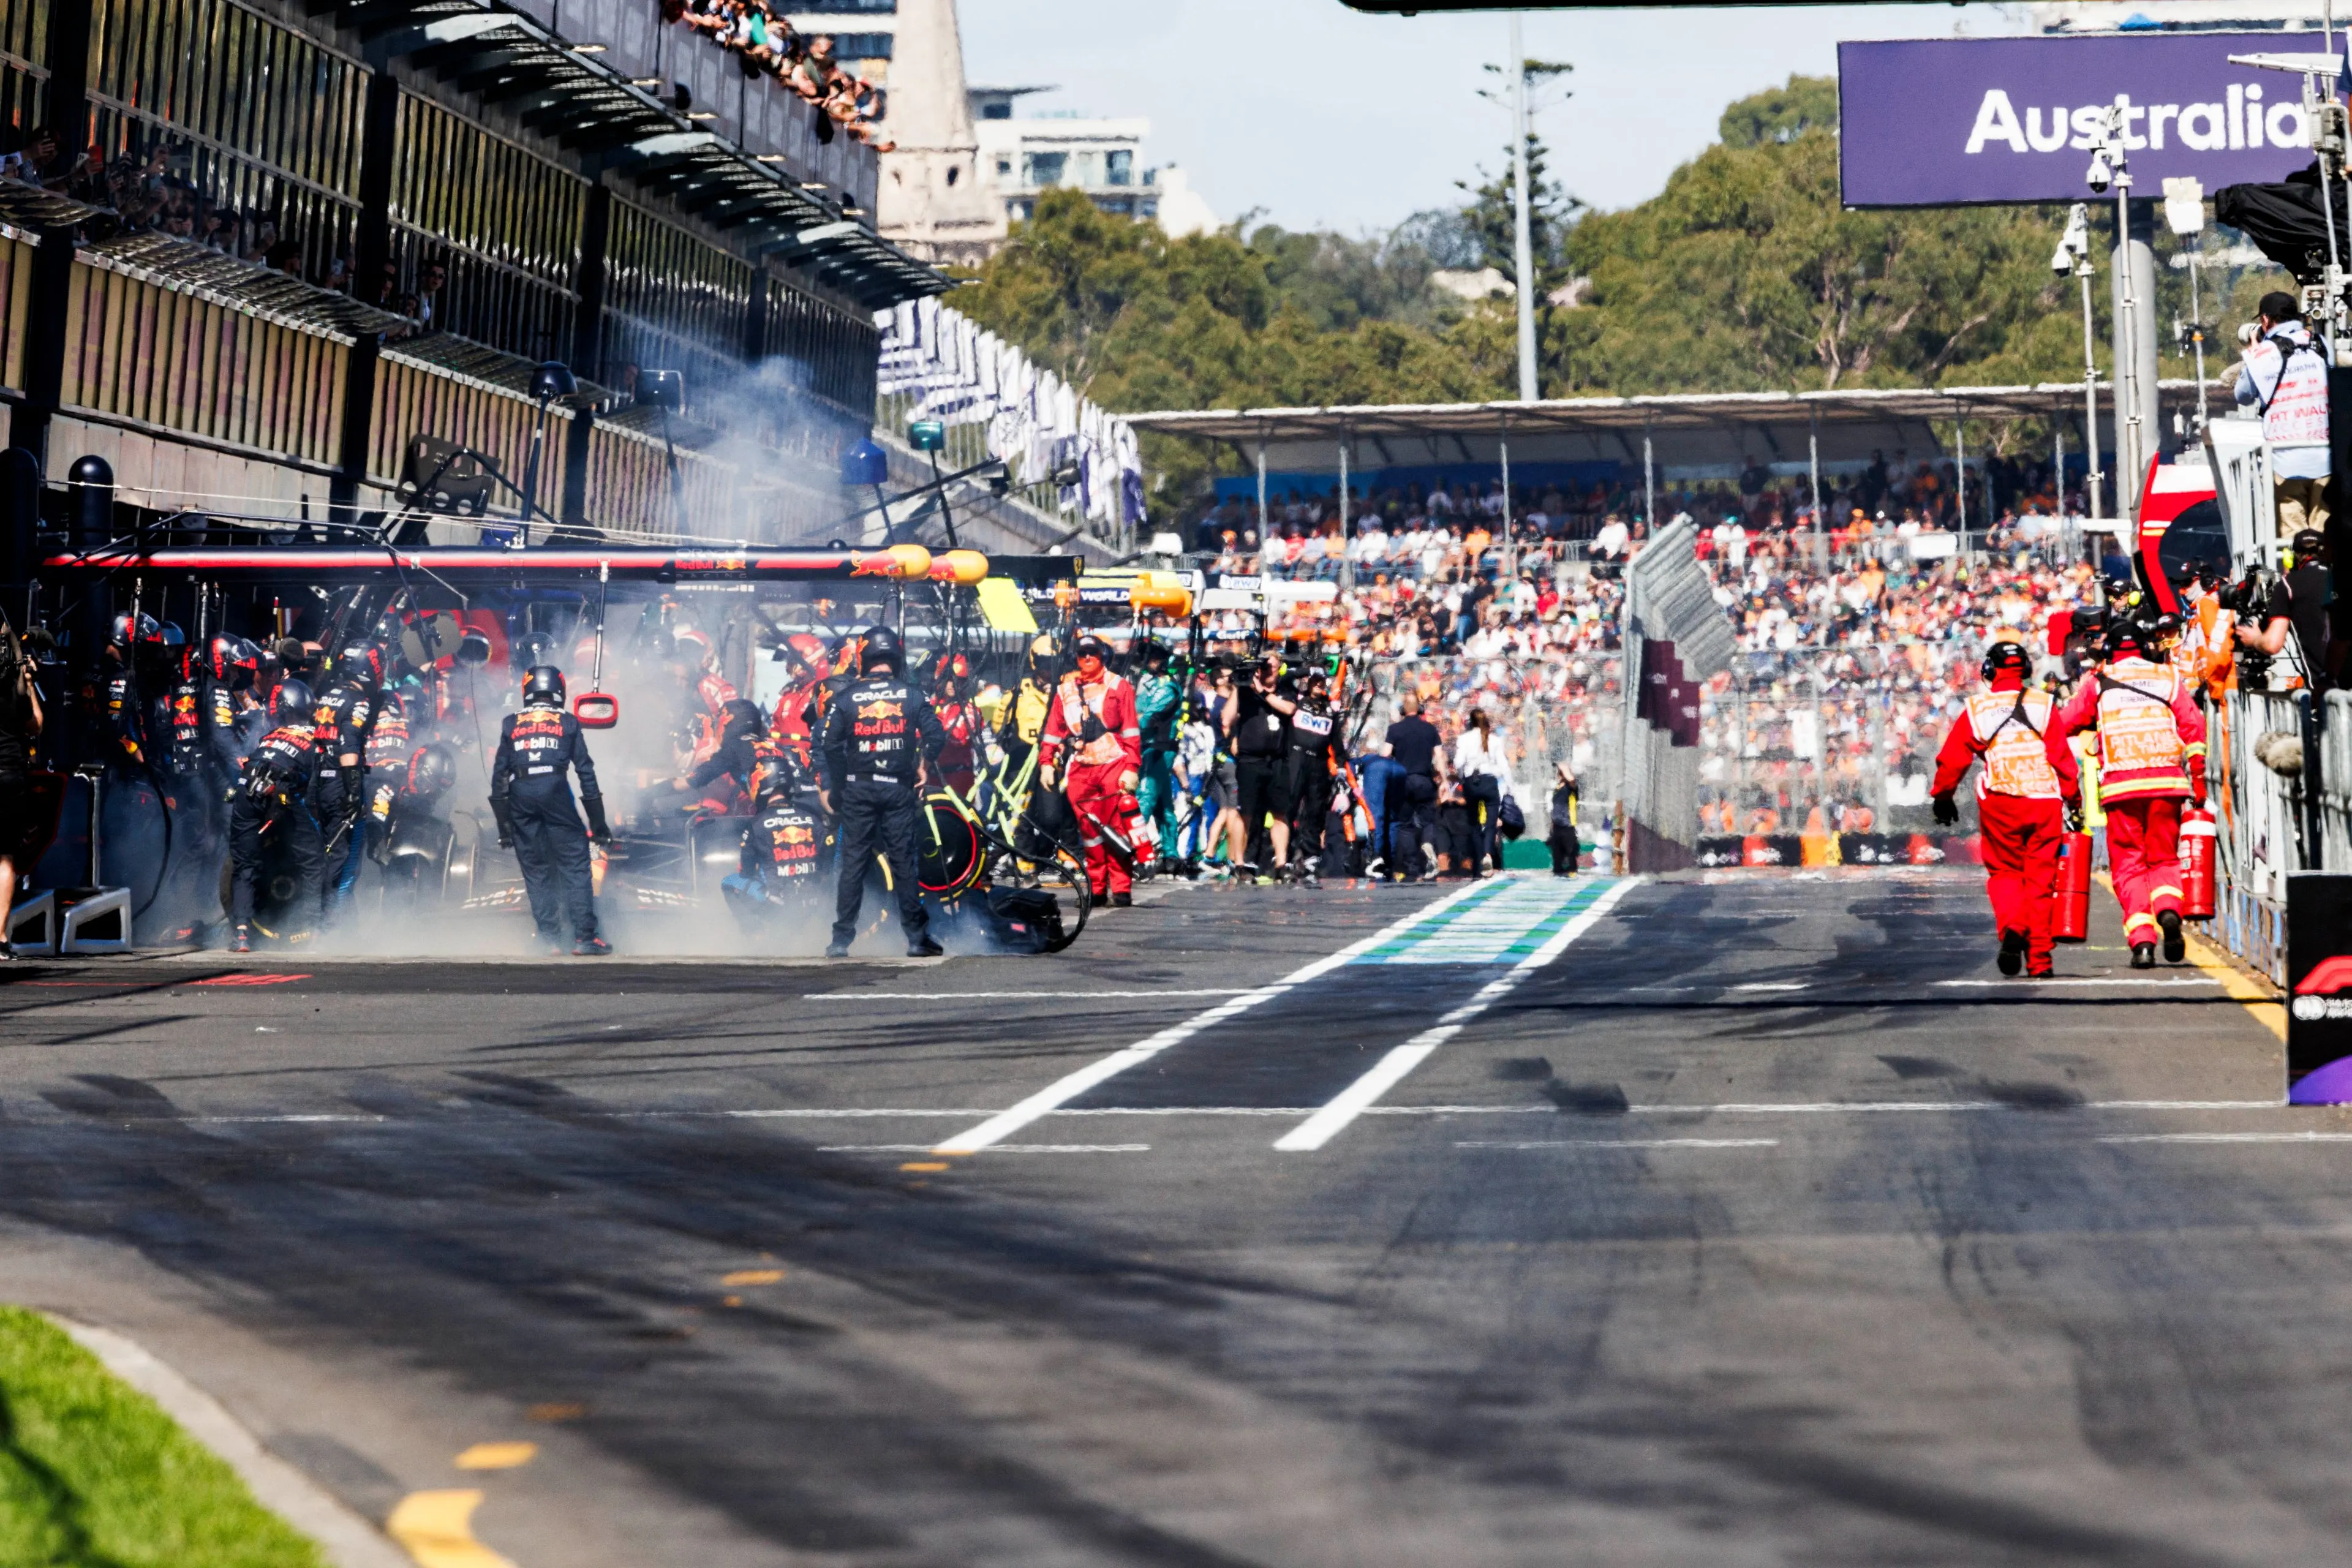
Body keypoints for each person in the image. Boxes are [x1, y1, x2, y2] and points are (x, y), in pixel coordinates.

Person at [2046, 617, 2207, 969]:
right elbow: (2194, 726)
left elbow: (2062, 725)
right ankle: (2168, 911)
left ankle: (2144, 942)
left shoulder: (2097, 682)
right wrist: (2198, 778)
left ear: (2108, 651)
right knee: (2164, 860)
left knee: (2130, 867)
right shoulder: (2168, 677)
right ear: (2147, 648)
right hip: (2168, 786)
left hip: (2122, 788)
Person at [1931, 637, 2065, 979]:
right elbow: (2062, 759)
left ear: (1989, 670)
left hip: (2002, 802)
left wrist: (1943, 797)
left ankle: (2013, 929)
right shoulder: (2046, 705)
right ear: (2027, 670)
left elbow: (1953, 759)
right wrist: (2074, 798)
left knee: (2005, 873)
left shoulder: (1977, 709)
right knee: (2040, 882)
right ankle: (2040, 963)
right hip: (2045, 801)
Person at [816, 625, 946, 958]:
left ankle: (840, 941)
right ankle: (916, 939)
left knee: (853, 865)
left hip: (858, 790)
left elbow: (829, 743)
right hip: (898, 790)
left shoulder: (845, 698)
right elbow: (936, 737)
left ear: (863, 658)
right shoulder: (913, 695)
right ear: (896, 658)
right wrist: (924, 765)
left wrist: (839, 784)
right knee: (904, 863)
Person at [488, 666, 612, 956]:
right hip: (555, 789)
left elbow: (499, 776)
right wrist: (598, 822)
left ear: (527, 691)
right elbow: (585, 771)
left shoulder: (510, 723)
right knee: (575, 866)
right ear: (560, 690)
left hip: (521, 793)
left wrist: (504, 827)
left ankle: (549, 940)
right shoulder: (568, 722)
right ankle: (585, 938)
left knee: (536, 871)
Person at [227, 679, 333, 953]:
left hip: (245, 789)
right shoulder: (314, 738)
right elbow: (313, 789)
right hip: (280, 792)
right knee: (313, 860)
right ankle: (316, 931)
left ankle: (241, 934)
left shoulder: (269, 736)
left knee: (244, 865)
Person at [1040, 634, 1143, 907]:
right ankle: (1097, 888)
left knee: (1117, 829)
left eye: (1092, 653)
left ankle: (1121, 888)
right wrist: (1046, 764)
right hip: (1081, 770)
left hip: (1113, 765)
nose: (1087, 658)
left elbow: (1131, 731)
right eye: (1082, 653)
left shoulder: (1120, 687)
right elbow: (1054, 729)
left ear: (1103, 656)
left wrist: (1131, 768)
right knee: (1090, 831)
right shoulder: (1065, 690)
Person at [2236, 292, 2332, 538]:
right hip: (2327, 456)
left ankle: (2300, 574)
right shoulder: (2321, 344)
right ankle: (2325, 574)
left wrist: (2253, 355)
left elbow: (2243, 395)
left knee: (2293, 539)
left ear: (2266, 320)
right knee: (2325, 533)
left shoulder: (2262, 354)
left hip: (2284, 459)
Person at [314, 643, 385, 913]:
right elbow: (350, 745)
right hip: (339, 783)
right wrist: (354, 792)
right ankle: (331, 922)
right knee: (343, 857)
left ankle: (334, 916)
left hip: (317, 780)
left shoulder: (326, 695)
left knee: (324, 851)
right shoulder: (359, 702)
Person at [2233, 528, 2332, 690]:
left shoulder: (2288, 585)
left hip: (2325, 690)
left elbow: (2273, 644)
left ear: (2294, 558)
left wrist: (2255, 639)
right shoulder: (2342, 577)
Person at [0, 614, 45, 960]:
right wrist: (27, 681)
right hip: (8, 772)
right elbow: (36, 725)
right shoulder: (12, 687)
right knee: (5, 857)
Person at [1230, 657, 1295, 880]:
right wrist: (1237, 688)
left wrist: (1264, 693)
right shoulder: (1246, 692)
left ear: (1279, 670)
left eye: (1272, 668)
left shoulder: (1286, 691)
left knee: (1280, 813)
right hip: (1250, 761)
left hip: (1277, 760)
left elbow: (1288, 710)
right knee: (1245, 813)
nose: (1267, 672)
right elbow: (1226, 720)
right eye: (1264, 668)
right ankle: (1239, 863)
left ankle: (1282, 864)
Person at [1283, 666, 1344, 887]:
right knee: (1289, 806)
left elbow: (1337, 740)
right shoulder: (1298, 699)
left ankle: (1310, 858)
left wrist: (1342, 768)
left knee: (1315, 810)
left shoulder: (1331, 708)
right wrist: (1307, 669)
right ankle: (1285, 854)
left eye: (1322, 682)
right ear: (1308, 682)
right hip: (1297, 758)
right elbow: (1285, 678)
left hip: (1319, 763)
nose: (1319, 685)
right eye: (1315, 681)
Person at [1382, 691, 1442, 883]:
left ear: (1403, 710)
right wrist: (1444, 781)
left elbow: (1385, 755)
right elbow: (1439, 757)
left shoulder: (1395, 729)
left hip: (1403, 781)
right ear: (1420, 709)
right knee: (1428, 821)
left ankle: (1411, 869)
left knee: (1406, 826)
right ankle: (1427, 846)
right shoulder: (1430, 729)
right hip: (1424, 780)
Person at [1134, 643, 1180, 867]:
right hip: (1146, 747)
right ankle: (1171, 854)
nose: (1150, 660)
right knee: (1164, 805)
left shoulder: (1167, 687)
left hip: (1158, 749)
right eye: (1147, 655)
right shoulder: (1142, 682)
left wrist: (1133, 719)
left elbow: (1146, 718)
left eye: (1155, 656)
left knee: (1145, 798)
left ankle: (1133, 851)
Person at [1451, 707, 1510, 878]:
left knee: (1474, 825)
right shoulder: (1494, 740)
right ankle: (1488, 855)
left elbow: (1458, 762)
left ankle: (1478, 862)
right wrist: (1509, 787)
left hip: (1472, 782)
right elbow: (1503, 766)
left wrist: (1463, 777)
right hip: (1490, 782)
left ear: (1470, 722)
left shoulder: (1464, 739)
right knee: (1491, 824)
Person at [1547, 764, 1581, 878]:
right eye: (1559, 773)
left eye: (1561, 773)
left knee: (1570, 852)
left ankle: (1572, 873)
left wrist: (1564, 767)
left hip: (1568, 825)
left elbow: (1572, 780)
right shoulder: (1557, 788)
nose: (1559, 775)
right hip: (1557, 825)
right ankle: (1558, 872)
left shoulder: (1571, 788)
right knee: (1557, 855)